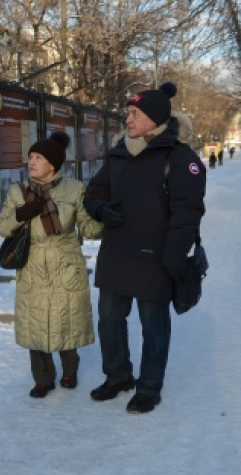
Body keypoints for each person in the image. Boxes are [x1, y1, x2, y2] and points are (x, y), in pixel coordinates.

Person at [83, 82, 206, 414]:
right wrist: (99, 209)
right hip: (117, 255)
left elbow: (188, 212)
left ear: (154, 118)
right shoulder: (119, 152)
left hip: (156, 258)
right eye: (128, 112)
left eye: (135, 113)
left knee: (153, 325)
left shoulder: (180, 157)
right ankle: (118, 376)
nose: (128, 118)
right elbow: (93, 192)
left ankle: (149, 387)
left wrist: (174, 256)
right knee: (109, 319)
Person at [0, 131, 103, 399]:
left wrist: (105, 217)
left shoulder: (74, 189)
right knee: (36, 322)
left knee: (65, 319)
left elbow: (88, 229)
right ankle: (42, 379)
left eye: (38, 157)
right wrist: (21, 215)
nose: (31, 162)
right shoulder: (17, 193)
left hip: (65, 262)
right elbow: (3, 227)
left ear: (52, 165)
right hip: (32, 263)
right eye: (30, 157)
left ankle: (70, 370)